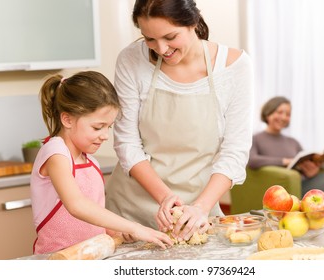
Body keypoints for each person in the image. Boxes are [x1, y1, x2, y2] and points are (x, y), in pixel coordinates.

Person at [105, 0, 254, 242]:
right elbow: (127, 144)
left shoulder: (234, 67)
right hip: (129, 214)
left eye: (170, 37)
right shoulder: (131, 60)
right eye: (149, 39)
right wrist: (165, 197)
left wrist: (201, 207)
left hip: (197, 212)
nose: (161, 49)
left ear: (193, 22)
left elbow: (235, 152)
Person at [31, 71, 173, 255]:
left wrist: (115, 231)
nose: (105, 136)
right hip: (59, 260)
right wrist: (134, 227)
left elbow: (92, 216)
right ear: (67, 119)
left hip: (92, 256)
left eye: (109, 127)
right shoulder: (56, 154)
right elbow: (77, 205)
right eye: (98, 127)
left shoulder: (90, 161)